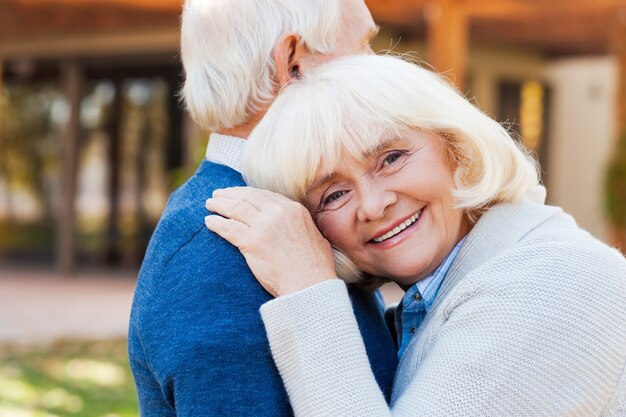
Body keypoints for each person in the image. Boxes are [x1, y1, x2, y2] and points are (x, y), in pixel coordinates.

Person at [205, 54, 626, 416]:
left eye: (392, 158)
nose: (372, 205)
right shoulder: (447, 294)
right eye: (333, 195)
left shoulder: (554, 282)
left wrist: (306, 283)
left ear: (456, 147)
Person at [128, 2, 398, 416]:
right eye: (364, 44)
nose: (378, 68)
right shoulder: (218, 256)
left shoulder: (286, 215)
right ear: (293, 64)